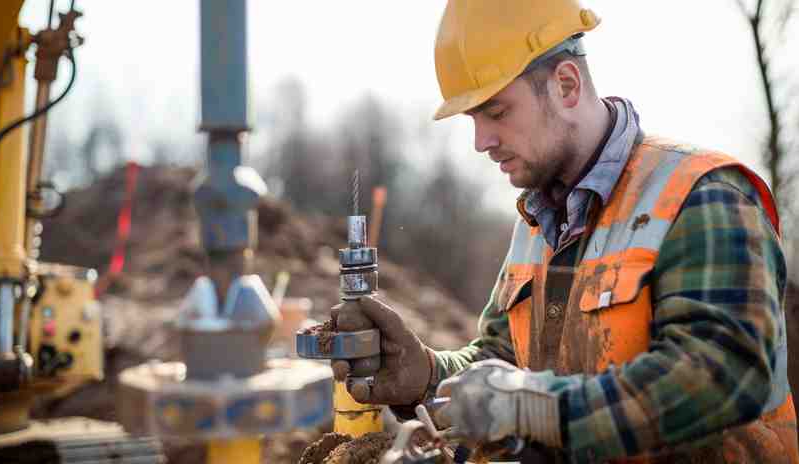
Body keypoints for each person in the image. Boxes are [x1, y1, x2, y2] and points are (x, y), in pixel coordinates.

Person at [331, 1, 798, 462]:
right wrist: (427, 373)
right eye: (472, 119)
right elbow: (506, 364)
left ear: (567, 85)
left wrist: (535, 408)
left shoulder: (700, 196)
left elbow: (722, 376)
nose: (480, 141)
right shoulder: (537, 221)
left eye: (496, 111)